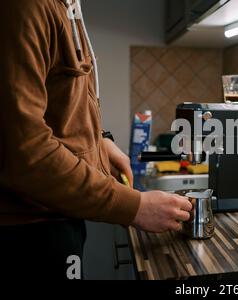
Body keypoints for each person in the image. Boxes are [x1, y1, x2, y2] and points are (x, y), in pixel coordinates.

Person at [0, 0, 192, 279]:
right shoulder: (27, 5)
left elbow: (60, 107)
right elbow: (27, 152)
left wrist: (101, 141)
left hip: (56, 213)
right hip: (26, 233)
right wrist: (133, 207)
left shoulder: (66, 5)